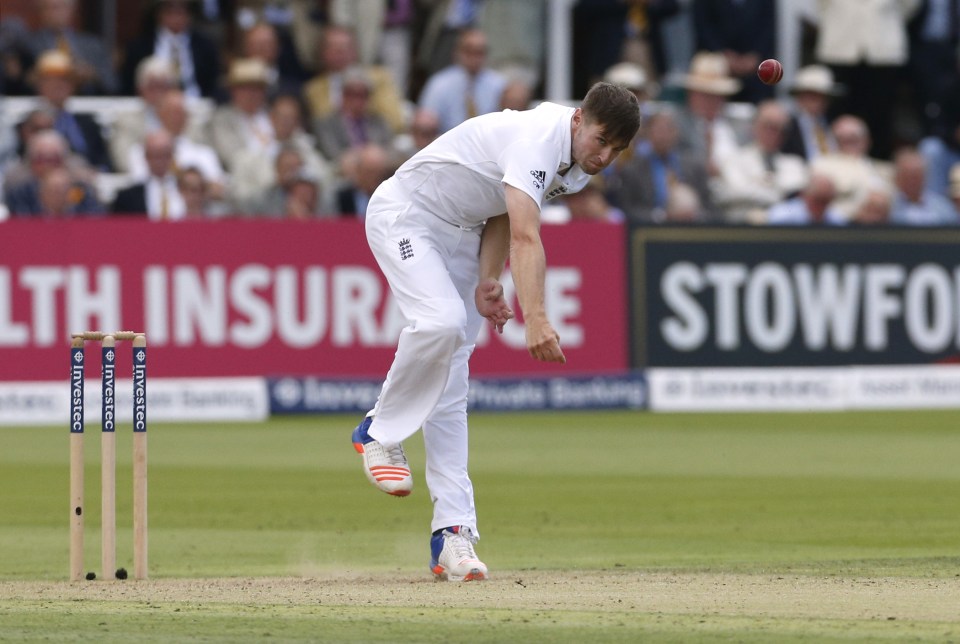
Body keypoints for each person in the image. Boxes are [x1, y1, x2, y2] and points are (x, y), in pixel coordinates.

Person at [349, 82, 640, 581]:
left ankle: (453, 535)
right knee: (440, 323)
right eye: (601, 139)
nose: (605, 155)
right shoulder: (538, 139)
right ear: (578, 120)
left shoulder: (574, 168)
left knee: (452, 378)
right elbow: (528, 235)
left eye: (618, 149)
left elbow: (502, 211)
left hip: (463, 234)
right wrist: (538, 317)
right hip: (407, 215)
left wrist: (488, 277)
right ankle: (378, 430)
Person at [120, 0, 222, 100]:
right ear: (159, 13)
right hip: (152, 108)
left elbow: (214, 84)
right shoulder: (139, 47)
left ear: (190, 15)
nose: (176, 16)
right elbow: (128, 85)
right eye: (170, 10)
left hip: (196, 105)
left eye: (182, 11)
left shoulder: (205, 47)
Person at [417, 28, 506, 134]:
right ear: (457, 52)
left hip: (487, 143)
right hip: (447, 143)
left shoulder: (499, 84)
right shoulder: (439, 83)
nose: (474, 58)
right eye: (469, 51)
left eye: (479, 52)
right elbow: (425, 120)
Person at [27, 0, 118, 95]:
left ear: (71, 9)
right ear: (40, 12)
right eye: (48, 8)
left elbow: (113, 84)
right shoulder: (29, 45)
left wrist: (93, 75)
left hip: (87, 102)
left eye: (59, 7)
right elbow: (20, 84)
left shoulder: (93, 45)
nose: (54, 13)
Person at [780, 65, 842, 163]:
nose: (818, 102)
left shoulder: (832, 125)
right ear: (800, 97)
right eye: (812, 96)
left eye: (822, 96)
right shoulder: (787, 126)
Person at [888, 148, 959, 225]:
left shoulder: (943, 207)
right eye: (908, 177)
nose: (912, 182)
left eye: (916, 177)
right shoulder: (888, 206)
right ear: (897, 178)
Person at [767, 172, 846, 225]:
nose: (821, 206)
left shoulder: (836, 219)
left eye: (825, 201)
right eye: (818, 200)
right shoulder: (782, 215)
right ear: (804, 195)